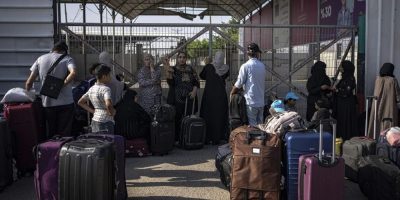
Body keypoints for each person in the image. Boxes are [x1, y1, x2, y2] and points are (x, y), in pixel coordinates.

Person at [25, 41, 77, 138]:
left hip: (47, 104)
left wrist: (28, 96)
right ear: (64, 51)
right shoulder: (67, 58)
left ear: (53, 50)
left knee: (50, 133)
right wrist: (62, 84)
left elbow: (29, 82)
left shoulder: (40, 59)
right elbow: (73, 73)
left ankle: (49, 151)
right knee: (64, 134)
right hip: (66, 103)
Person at [164, 51, 200, 142]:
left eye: (184, 57)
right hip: (177, 99)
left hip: (190, 98)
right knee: (177, 118)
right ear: (177, 58)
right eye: (180, 57)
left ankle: (188, 138)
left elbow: (196, 82)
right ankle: (177, 139)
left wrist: (194, 91)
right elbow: (170, 82)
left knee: (189, 118)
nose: (182, 59)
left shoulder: (191, 69)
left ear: (186, 59)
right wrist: (167, 66)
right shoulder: (173, 69)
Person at [230, 43, 266, 127]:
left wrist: (232, 93)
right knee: (260, 126)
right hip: (261, 102)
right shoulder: (262, 66)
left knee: (252, 128)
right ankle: (262, 140)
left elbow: (239, 83)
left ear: (248, 54)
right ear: (257, 53)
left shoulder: (245, 66)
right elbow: (255, 81)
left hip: (251, 102)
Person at [199, 51, 229, 145]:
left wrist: (207, 64)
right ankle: (218, 138)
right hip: (221, 96)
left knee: (208, 115)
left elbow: (202, 76)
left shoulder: (209, 67)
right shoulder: (226, 68)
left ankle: (207, 138)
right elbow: (225, 77)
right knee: (219, 116)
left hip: (209, 96)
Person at [78, 64, 116, 134]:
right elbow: (108, 104)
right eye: (109, 75)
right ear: (104, 76)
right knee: (107, 143)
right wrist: (112, 112)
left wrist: (93, 111)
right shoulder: (106, 89)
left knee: (97, 142)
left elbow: (80, 102)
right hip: (106, 121)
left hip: (95, 120)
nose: (110, 77)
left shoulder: (92, 89)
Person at [367, 63, 400, 138]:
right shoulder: (393, 80)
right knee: (389, 123)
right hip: (389, 107)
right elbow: (398, 97)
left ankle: (374, 137)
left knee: (376, 121)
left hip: (377, 106)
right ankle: (387, 139)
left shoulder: (378, 79)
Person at [332, 60, 358, 140]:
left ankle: (346, 138)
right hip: (342, 105)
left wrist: (336, 90)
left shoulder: (350, 79)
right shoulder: (344, 78)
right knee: (342, 122)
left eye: (341, 66)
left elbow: (346, 92)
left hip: (346, 105)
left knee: (346, 122)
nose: (340, 68)